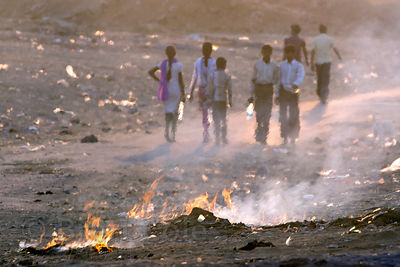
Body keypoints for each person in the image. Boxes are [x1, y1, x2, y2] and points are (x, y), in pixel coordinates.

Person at [148, 45, 185, 142]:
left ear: (166, 54)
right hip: (176, 91)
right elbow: (181, 81)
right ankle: (173, 134)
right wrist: (183, 93)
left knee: (168, 112)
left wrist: (159, 80)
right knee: (175, 113)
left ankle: (166, 132)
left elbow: (150, 72)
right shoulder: (179, 65)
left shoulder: (163, 64)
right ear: (175, 54)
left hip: (166, 91)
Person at [249, 44, 279, 145]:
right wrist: (251, 94)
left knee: (267, 114)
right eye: (264, 52)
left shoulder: (274, 65)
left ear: (271, 53)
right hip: (259, 89)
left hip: (268, 89)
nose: (266, 54)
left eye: (268, 52)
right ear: (262, 52)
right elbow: (253, 79)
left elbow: (276, 80)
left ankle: (264, 135)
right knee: (259, 113)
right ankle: (259, 132)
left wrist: (277, 94)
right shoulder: (257, 64)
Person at [275, 45, 305, 145]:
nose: (289, 55)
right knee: (283, 115)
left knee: (294, 114)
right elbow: (278, 80)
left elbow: (301, 75)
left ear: (293, 54)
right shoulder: (282, 65)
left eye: (291, 53)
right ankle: (284, 137)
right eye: (287, 53)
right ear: (285, 53)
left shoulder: (298, 65)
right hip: (283, 92)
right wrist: (277, 94)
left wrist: (296, 84)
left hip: (293, 92)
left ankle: (293, 137)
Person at [188, 42, 217, 143]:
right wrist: (190, 91)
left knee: (206, 112)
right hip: (207, 90)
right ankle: (207, 132)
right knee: (209, 111)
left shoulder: (200, 61)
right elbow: (195, 77)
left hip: (204, 90)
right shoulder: (213, 62)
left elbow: (194, 78)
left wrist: (190, 91)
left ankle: (207, 131)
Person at [311, 24, 342, 104]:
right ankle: (324, 96)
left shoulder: (315, 39)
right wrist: (339, 56)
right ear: (326, 30)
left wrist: (311, 63)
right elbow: (335, 49)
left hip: (318, 62)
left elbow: (312, 52)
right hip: (327, 62)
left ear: (319, 30)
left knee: (319, 79)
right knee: (325, 80)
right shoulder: (330, 39)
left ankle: (320, 94)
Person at [207, 57, 232, 145]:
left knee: (216, 119)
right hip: (223, 100)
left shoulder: (213, 75)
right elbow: (230, 89)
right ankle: (224, 138)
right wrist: (230, 101)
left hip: (215, 100)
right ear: (225, 65)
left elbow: (210, 89)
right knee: (223, 119)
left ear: (216, 65)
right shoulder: (227, 76)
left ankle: (217, 138)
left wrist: (209, 98)